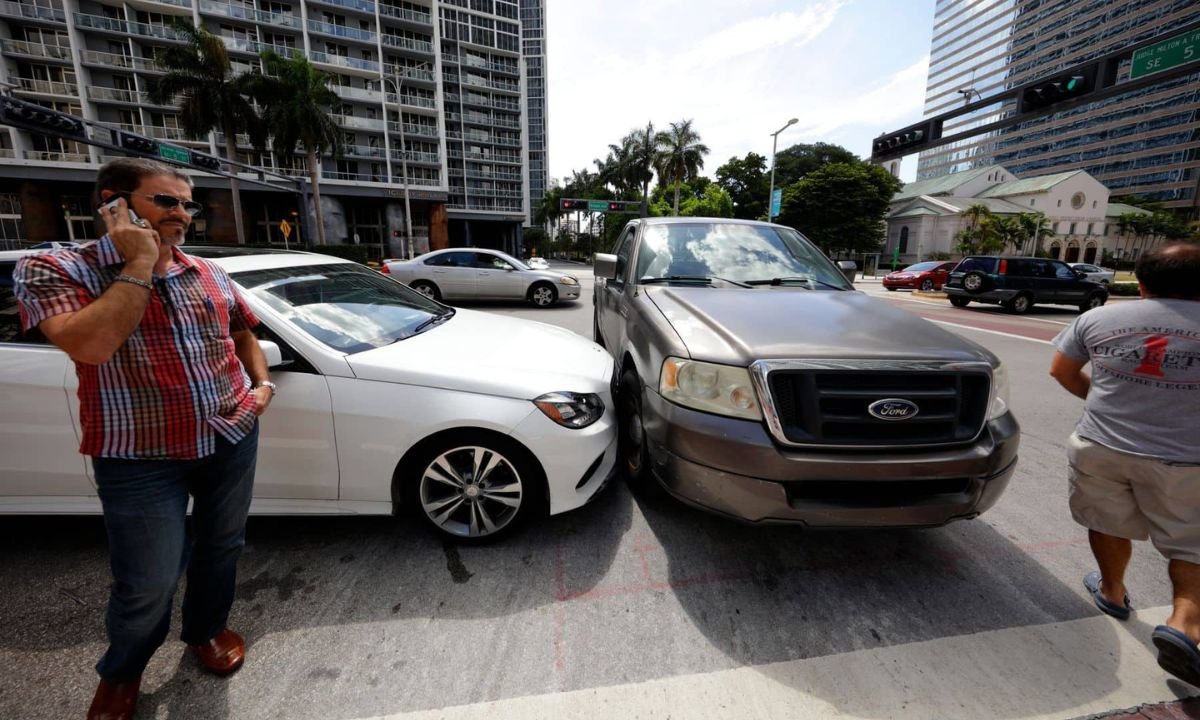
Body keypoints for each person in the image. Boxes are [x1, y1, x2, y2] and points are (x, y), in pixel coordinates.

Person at [13, 158, 275, 720]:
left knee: (222, 547)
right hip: (138, 456)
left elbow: (242, 331)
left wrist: (260, 386)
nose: (182, 214)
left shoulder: (206, 271)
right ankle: (123, 671)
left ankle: (205, 631)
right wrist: (137, 260)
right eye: (166, 202)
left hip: (229, 434)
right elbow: (92, 346)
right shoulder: (57, 269)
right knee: (149, 579)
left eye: (188, 204)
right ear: (114, 202)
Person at [1049, 242, 1200, 687]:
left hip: (1102, 445)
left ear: (1141, 283)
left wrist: (1101, 404)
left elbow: (1061, 371)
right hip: (1186, 458)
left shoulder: (1099, 318)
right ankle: (1185, 622)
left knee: (1108, 520)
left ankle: (1113, 592)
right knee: (1191, 541)